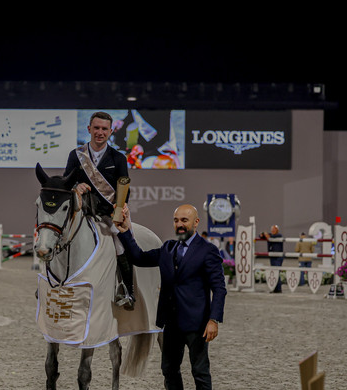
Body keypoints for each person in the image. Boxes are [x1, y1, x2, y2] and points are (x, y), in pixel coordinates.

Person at [114, 203, 226, 390]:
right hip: (171, 323)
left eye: (184, 220)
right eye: (176, 220)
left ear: (196, 222)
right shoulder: (167, 248)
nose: (180, 224)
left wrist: (214, 319)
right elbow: (139, 258)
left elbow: (219, 288)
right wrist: (125, 231)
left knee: (200, 371)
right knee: (169, 370)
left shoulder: (208, 251)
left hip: (197, 324)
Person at [64, 111, 135, 310]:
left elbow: (124, 188)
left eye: (104, 129)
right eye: (96, 128)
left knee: (120, 246)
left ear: (111, 132)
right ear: (89, 129)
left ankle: (126, 290)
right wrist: (75, 187)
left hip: (106, 215)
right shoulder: (76, 155)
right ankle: (52, 283)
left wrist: (119, 209)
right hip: (81, 214)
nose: (100, 132)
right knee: (56, 237)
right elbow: (65, 183)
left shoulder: (119, 158)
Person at [260, 225, 284, 293]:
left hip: (278, 256)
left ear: (277, 230)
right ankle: (275, 288)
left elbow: (269, 237)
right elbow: (261, 236)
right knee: (273, 272)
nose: (273, 230)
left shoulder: (279, 235)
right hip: (272, 256)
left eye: (274, 229)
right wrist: (262, 234)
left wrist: (265, 234)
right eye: (272, 229)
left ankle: (278, 288)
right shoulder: (270, 235)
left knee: (277, 271)